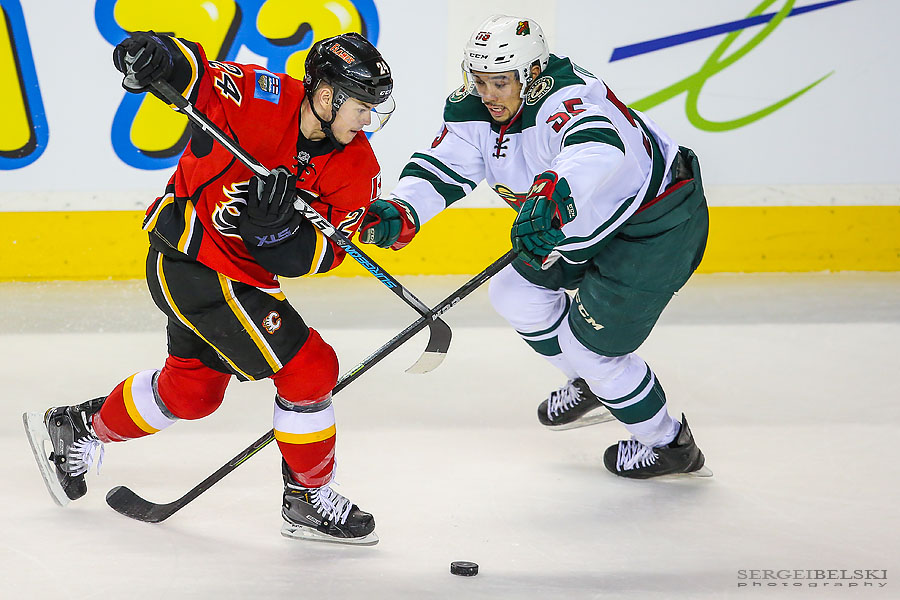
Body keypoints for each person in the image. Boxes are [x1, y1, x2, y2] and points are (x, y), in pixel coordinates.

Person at [23, 30, 395, 544]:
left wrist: (276, 232)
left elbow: (325, 252)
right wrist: (158, 53)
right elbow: (195, 73)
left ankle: (82, 425)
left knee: (192, 393)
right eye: (360, 106)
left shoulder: (358, 166)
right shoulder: (264, 95)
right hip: (188, 258)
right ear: (326, 94)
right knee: (310, 366)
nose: (367, 119)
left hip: (244, 276)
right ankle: (307, 495)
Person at [359, 15, 711, 479]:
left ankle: (669, 444)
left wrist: (554, 189)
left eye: (501, 82)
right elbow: (446, 163)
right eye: (480, 80)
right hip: (580, 223)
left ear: (532, 74)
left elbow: (598, 147)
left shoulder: (567, 96)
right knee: (514, 293)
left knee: (593, 350)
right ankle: (591, 384)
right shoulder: (475, 109)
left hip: (654, 224)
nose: (488, 94)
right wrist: (404, 206)